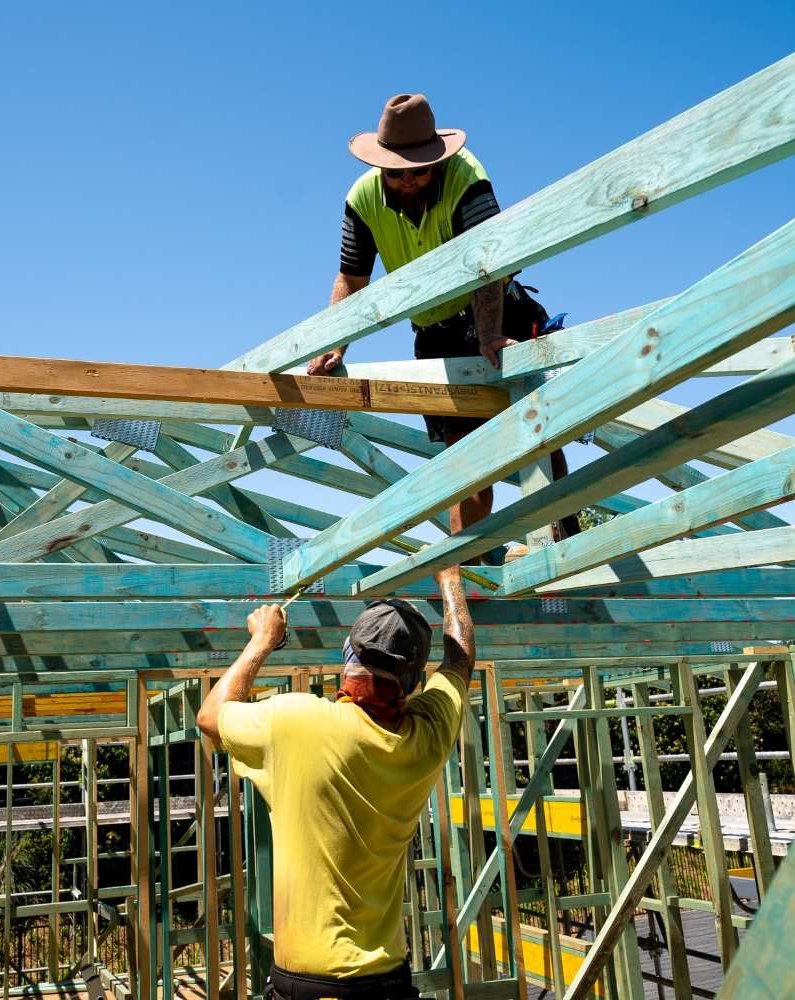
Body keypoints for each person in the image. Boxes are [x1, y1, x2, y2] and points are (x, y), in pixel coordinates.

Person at [307, 93, 579, 548]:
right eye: (398, 174)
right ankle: (470, 561)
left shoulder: (467, 178)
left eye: (420, 171)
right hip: (434, 330)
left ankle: (567, 543)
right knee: (465, 455)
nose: (409, 181)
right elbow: (353, 277)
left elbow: (487, 259)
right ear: (382, 167)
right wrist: (337, 341)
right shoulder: (362, 199)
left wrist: (490, 333)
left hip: (497, 307)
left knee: (538, 430)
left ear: (438, 161)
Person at [196, 565, 476, 999]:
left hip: (308, 986)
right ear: (416, 678)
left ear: (349, 655)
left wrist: (261, 641)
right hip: (386, 981)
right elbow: (459, 660)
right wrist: (451, 578)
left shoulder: (298, 721)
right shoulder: (429, 734)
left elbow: (210, 718)